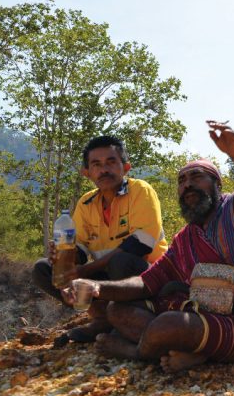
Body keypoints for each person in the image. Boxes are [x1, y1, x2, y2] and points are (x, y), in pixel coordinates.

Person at [66, 121, 234, 372]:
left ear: (217, 185)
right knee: (118, 311)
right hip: (197, 314)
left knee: (170, 324)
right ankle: (190, 352)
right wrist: (96, 288)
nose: (187, 184)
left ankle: (138, 352)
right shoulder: (185, 238)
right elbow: (147, 283)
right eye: (182, 180)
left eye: (196, 177)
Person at [32, 135, 168, 342]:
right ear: (87, 173)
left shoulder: (141, 191)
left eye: (111, 162)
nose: (104, 169)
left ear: (126, 167)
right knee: (43, 269)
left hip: (147, 277)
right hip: (106, 278)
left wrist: (83, 272)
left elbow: (139, 247)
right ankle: (102, 318)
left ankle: (131, 319)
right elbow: (80, 250)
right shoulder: (86, 203)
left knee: (121, 261)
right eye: (96, 164)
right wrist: (65, 258)